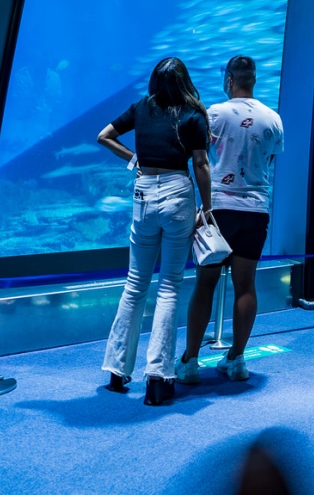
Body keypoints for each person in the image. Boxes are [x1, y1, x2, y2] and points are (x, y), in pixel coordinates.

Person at [98, 57, 214, 405]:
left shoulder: (141, 108)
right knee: (169, 286)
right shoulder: (193, 115)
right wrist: (206, 208)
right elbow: (201, 164)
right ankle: (158, 379)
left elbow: (104, 136)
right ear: (184, 82)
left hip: (144, 192)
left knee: (135, 283)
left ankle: (117, 372)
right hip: (178, 193)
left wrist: (134, 160)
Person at [178, 56, 284, 383]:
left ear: (229, 80)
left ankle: (190, 361)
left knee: (205, 284)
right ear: (254, 80)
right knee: (245, 285)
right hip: (256, 210)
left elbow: (198, 158)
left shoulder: (215, 114)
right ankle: (237, 359)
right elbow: (270, 159)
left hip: (218, 209)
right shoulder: (273, 118)